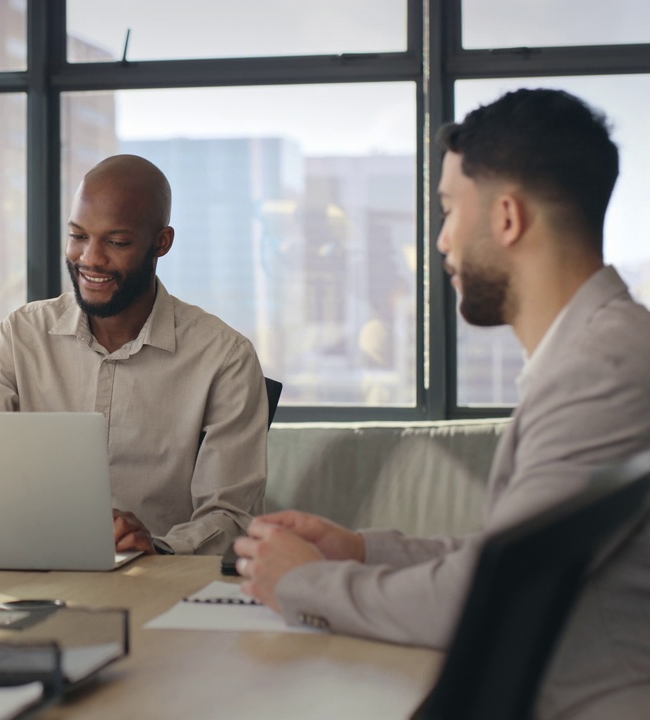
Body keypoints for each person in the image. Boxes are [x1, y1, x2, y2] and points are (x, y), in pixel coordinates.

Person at [233, 89, 650, 718]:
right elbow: (505, 556)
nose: (442, 242)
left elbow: (489, 597)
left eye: (450, 210)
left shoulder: (606, 367)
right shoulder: (598, 351)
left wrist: (303, 582)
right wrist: (362, 550)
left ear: (507, 218)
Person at [0, 154, 267, 556]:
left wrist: (159, 547)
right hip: (32, 567)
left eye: (117, 242)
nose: (90, 258)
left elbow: (232, 517)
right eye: (78, 236)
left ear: (162, 243)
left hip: (160, 583)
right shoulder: (20, 336)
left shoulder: (224, 358)